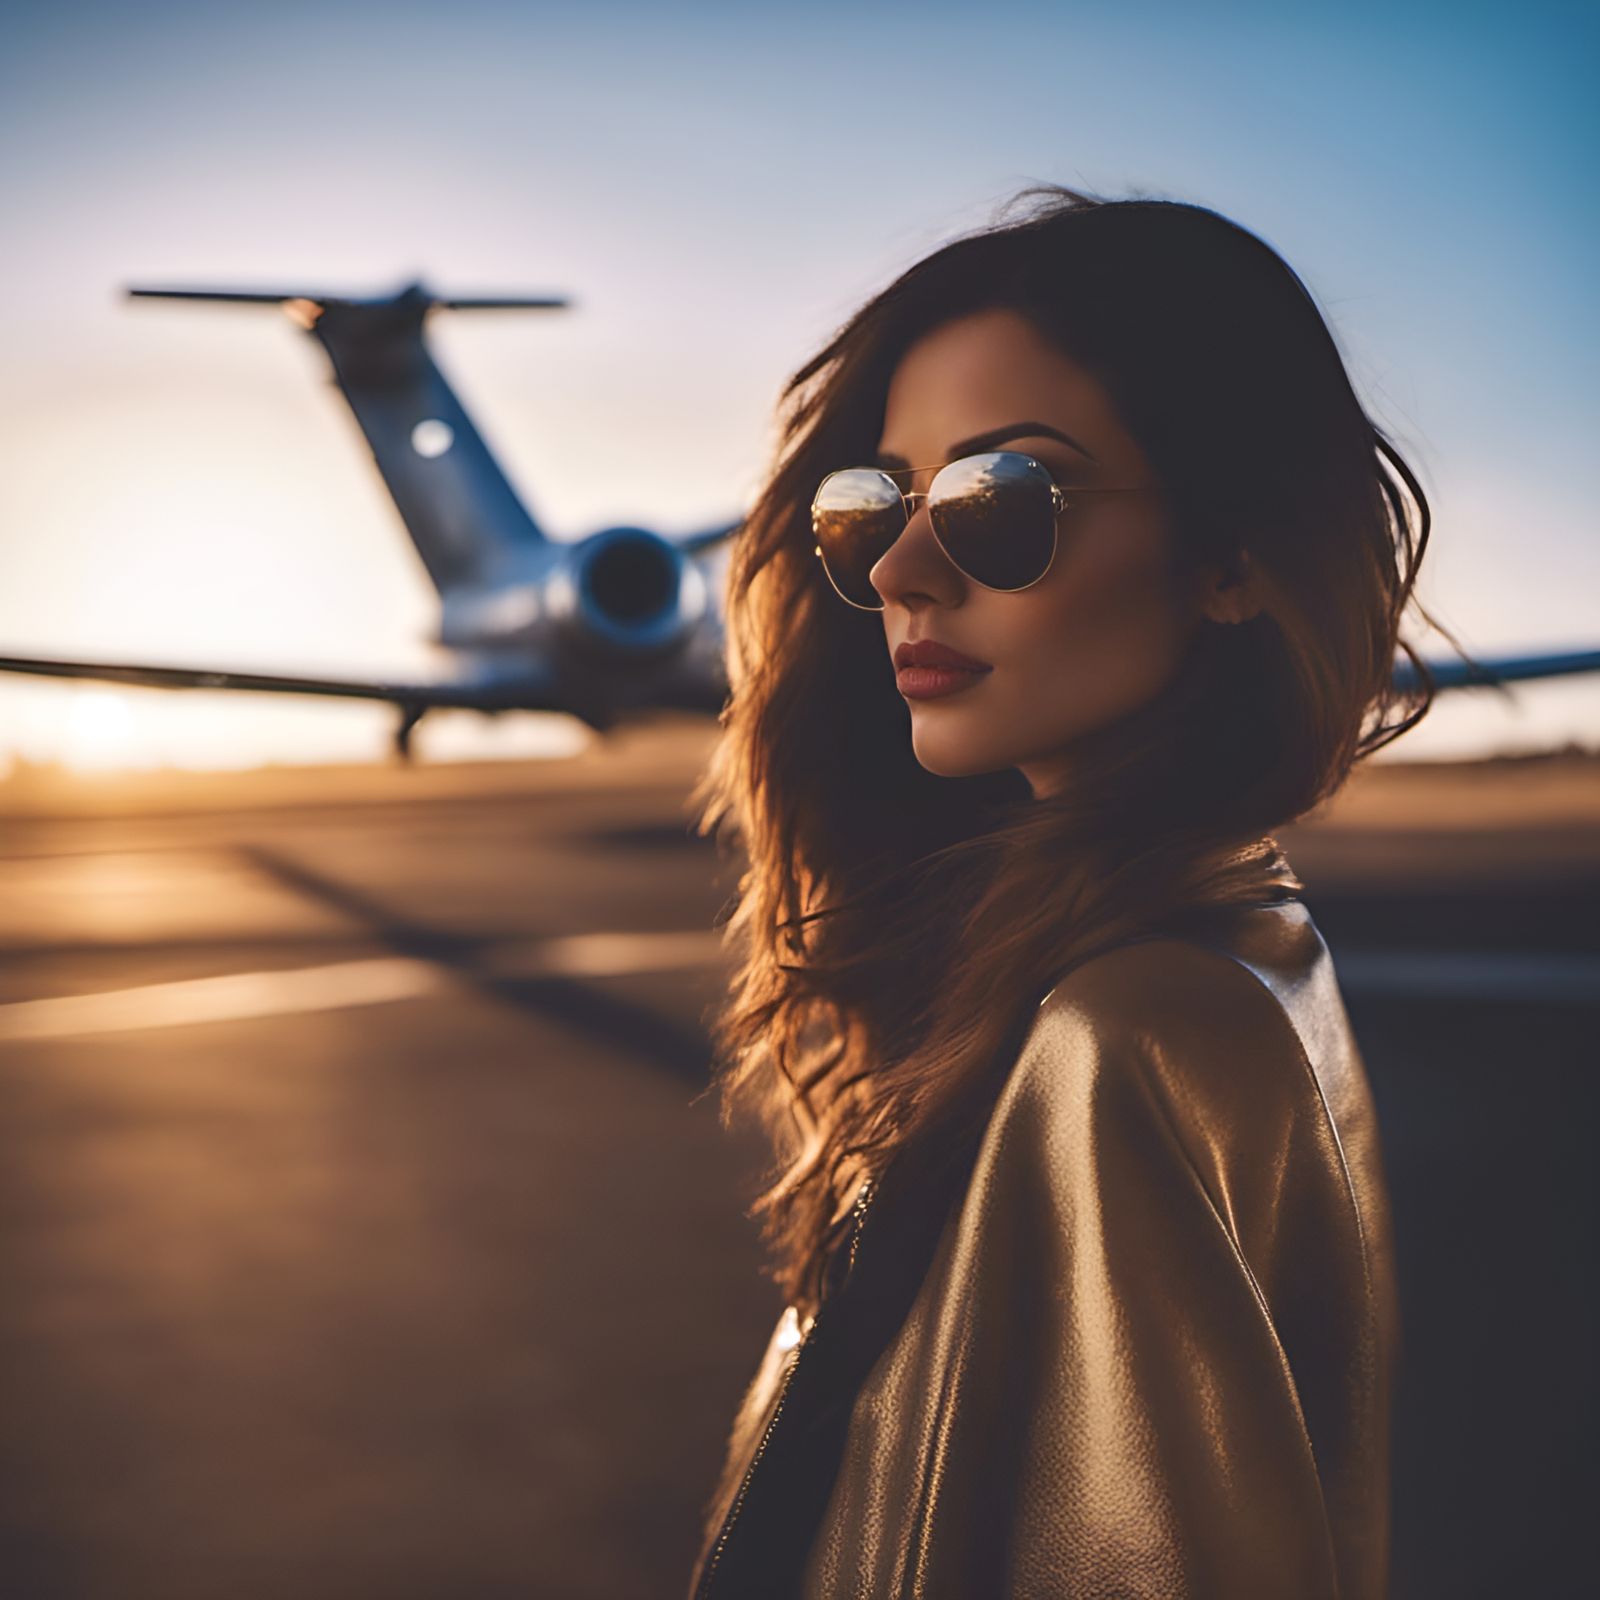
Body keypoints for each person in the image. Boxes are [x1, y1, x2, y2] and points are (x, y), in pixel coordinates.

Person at [684, 183, 1456, 1599]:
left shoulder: (1126, 1037)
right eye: (874, 508)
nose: (904, 573)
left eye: (1003, 501)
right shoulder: (1235, 940)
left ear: (1229, 556)